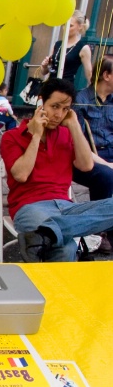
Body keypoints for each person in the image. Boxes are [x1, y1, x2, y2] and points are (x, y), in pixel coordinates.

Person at [0, 77, 113, 262]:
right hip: (30, 206)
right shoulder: (12, 137)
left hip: (65, 206)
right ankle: (52, 242)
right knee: (65, 247)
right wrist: (36, 135)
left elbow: (86, 165)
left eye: (65, 109)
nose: (59, 114)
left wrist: (74, 124)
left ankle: (48, 234)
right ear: (40, 101)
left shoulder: (66, 133)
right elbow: (21, 175)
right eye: (55, 106)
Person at [72, 54, 113, 250]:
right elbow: (81, 146)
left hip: (110, 155)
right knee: (107, 176)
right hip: (86, 159)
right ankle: (100, 230)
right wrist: (107, 164)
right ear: (107, 75)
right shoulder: (80, 100)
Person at [40, 10, 92, 85]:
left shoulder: (83, 48)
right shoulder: (57, 44)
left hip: (65, 88)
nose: (65, 28)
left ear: (80, 26)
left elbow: (89, 74)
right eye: (64, 25)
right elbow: (44, 72)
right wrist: (44, 66)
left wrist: (94, 92)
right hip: (50, 86)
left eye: (70, 26)